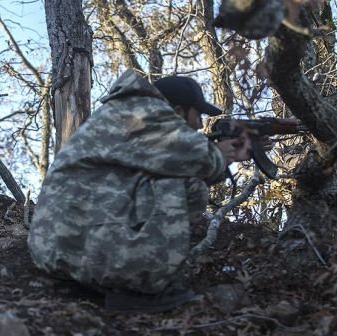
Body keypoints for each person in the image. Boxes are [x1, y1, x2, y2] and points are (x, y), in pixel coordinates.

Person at [27, 69, 252, 313]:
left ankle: (107, 278)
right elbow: (200, 157)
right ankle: (140, 287)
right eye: (197, 116)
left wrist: (221, 158)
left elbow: (180, 162)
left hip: (58, 245)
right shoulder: (147, 112)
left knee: (180, 181)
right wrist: (220, 155)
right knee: (187, 189)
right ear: (177, 111)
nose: (199, 125)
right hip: (69, 244)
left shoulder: (127, 111)